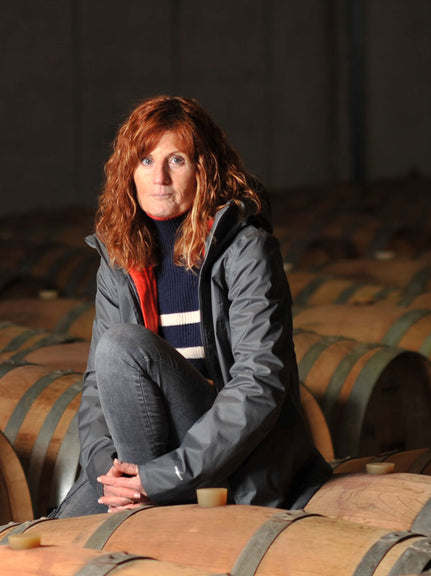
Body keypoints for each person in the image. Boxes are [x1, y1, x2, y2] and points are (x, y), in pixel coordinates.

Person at [52, 95, 331, 517]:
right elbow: (97, 390)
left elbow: (259, 383)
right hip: (150, 453)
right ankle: (139, 512)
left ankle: (147, 515)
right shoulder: (119, 258)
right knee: (46, 541)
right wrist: (112, 479)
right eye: (145, 161)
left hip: (233, 462)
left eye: (176, 160)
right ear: (128, 171)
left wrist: (159, 478)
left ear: (205, 168)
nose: (159, 177)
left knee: (121, 345)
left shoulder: (246, 249)